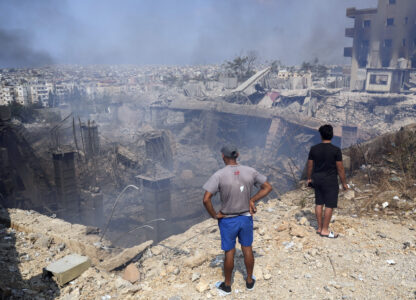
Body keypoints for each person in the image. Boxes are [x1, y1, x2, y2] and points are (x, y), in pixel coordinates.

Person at [202, 145, 272, 295]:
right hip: (246, 217)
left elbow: (206, 199)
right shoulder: (250, 171)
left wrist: (215, 215)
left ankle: (227, 285)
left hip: (228, 220)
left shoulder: (219, 175)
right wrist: (252, 199)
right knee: (247, 248)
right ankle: (249, 281)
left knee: (229, 252)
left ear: (223, 156)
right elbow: (267, 187)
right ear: (238, 155)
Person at [307, 124, 348, 238]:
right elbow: (340, 168)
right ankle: (325, 230)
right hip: (330, 181)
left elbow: (310, 165)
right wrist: (344, 183)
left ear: (321, 135)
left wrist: (309, 178)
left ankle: (319, 228)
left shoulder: (314, 149)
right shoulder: (335, 150)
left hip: (317, 179)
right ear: (332, 135)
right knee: (329, 204)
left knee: (319, 203)